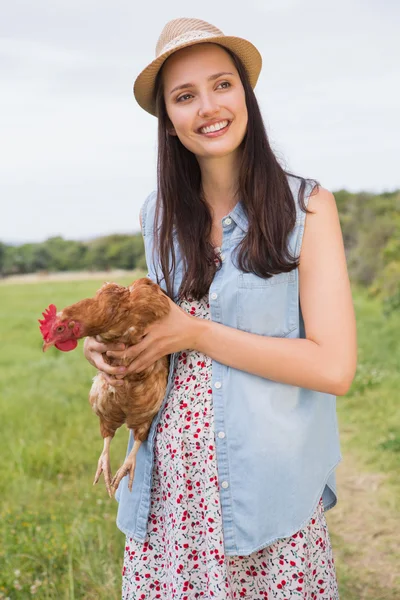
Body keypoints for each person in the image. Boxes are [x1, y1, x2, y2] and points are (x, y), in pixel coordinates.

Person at [83, 17, 357, 599]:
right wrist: (107, 345)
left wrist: (197, 334)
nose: (208, 106)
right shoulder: (155, 213)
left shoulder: (307, 207)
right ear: (169, 121)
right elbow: (153, 327)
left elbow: (334, 368)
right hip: (167, 496)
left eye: (222, 85)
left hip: (265, 495)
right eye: (184, 96)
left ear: (245, 95)